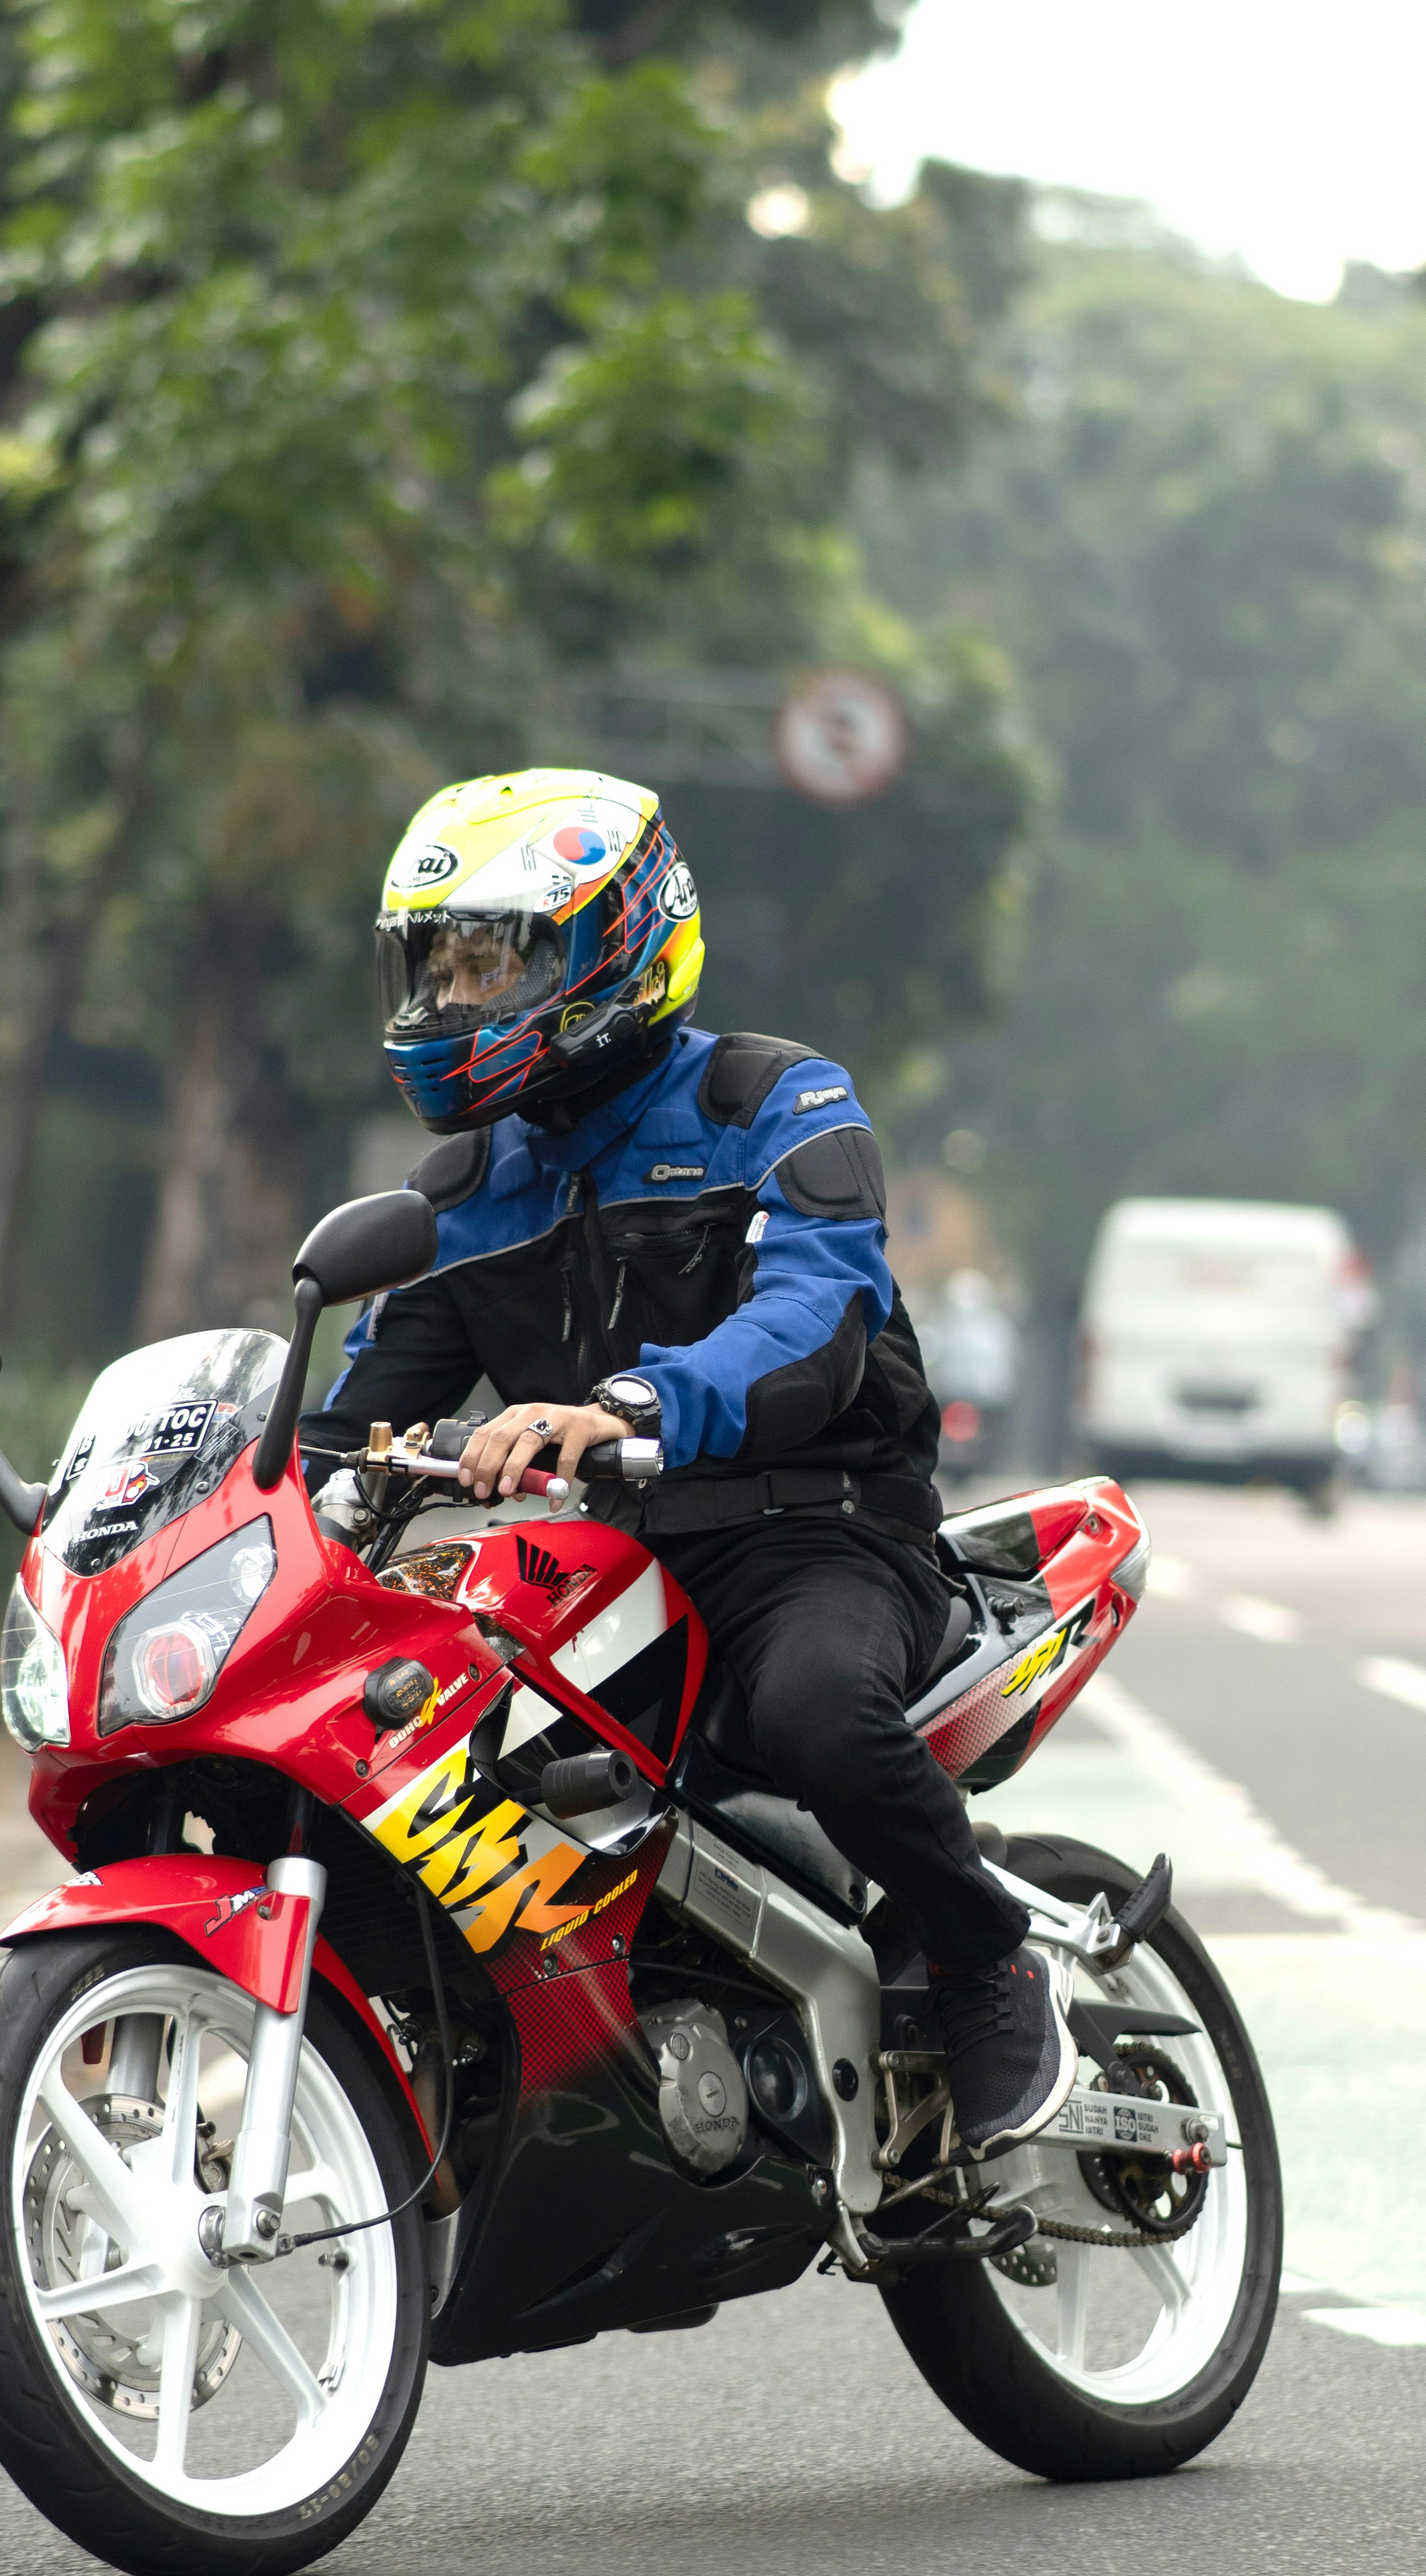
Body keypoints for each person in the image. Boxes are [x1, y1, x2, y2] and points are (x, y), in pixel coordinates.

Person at [310, 766, 1071, 2155]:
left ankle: (984, 1954)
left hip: (815, 1532)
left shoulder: (775, 1101)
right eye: (436, 967)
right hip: (588, 1565)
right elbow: (339, 1429)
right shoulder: (464, 1194)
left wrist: (624, 1405)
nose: (454, 1002)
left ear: (613, 946)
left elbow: (812, 1322)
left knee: (816, 1714)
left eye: (492, 962)